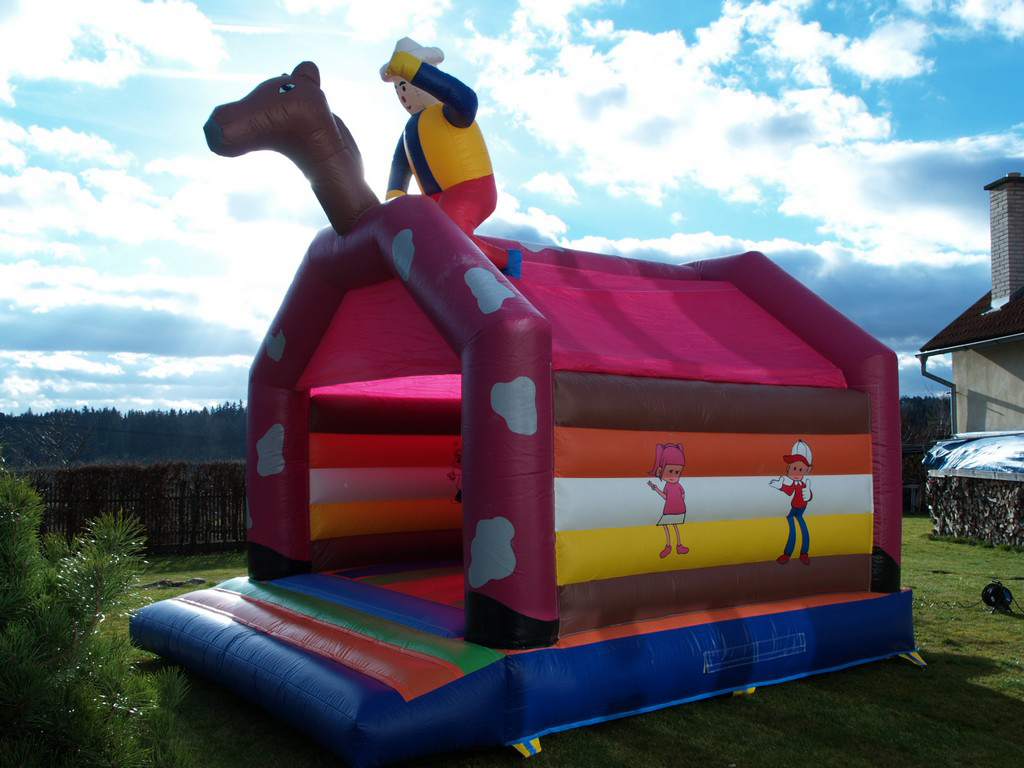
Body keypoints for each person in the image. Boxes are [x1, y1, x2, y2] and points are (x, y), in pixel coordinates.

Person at [381, 37, 520, 276]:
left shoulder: (448, 112)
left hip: (471, 187)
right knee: (424, 238)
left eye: (406, 85)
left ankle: (507, 260)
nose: (404, 95)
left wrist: (413, 69)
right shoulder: (410, 129)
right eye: (399, 89)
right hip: (434, 200)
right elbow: (400, 165)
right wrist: (395, 197)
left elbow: (467, 99)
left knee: (449, 233)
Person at [769, 439, 813, 565]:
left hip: (800, 510)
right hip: (793, 509)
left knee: (803, 530)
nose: (795, 472)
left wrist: (809, 495)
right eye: (793, 468)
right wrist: (780, 486)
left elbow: (806, 495)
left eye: (800, 469)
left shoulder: (804, 484)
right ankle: (787, 553)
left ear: (807, 470)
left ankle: (803, 553)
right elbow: (789, 491)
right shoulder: (795, 484)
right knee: (792, 530)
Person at [647, 443, 688, 558]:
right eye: (670, 472)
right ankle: (676, 546)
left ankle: (672, 546)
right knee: (673, 525)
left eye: (677, 472)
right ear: (661, 470)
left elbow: (667, 497)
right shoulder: (672, 486)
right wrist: (656, 489)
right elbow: (681, 495)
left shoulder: (672, 486)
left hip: (671, 510)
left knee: (667, 525)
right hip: (678, 509)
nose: (673, 476)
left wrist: (656, 489)